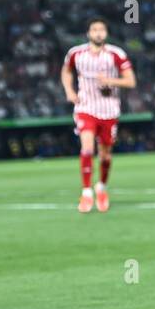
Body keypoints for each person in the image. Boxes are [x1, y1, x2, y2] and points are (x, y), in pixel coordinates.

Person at [61, 18, 135, 212]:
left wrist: (110, 81)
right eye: (95, 30)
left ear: (106, 33)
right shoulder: (76, 53)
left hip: (109, 109)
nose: (98, 33)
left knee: (105, 154)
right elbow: (66, 72)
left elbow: (130, 81)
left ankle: (101, 187)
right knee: (87, 148)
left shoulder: (116, 54)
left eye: (102, 29)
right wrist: (69, 91)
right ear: (88, 33)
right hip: (86, 108)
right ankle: (86, 192)